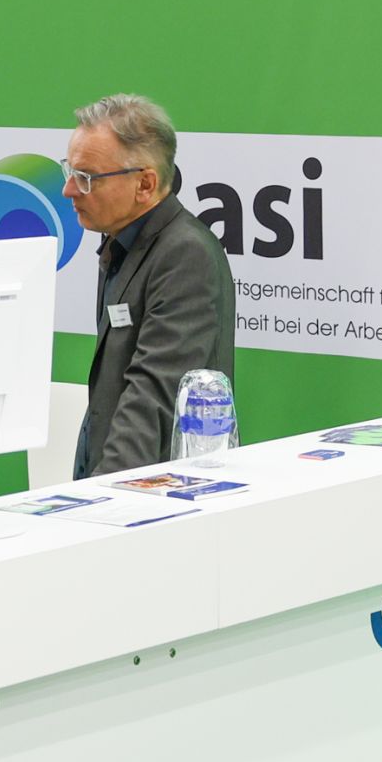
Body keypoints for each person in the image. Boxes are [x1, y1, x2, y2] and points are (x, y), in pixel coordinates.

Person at [66, 94, 236, 479]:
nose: (70, 190)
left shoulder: (184, 255)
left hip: (156, 491)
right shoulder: (120, 242)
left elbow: (153, 396)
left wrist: (101, 496)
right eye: (70, 172)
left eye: (87, 178)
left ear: (145, 183)